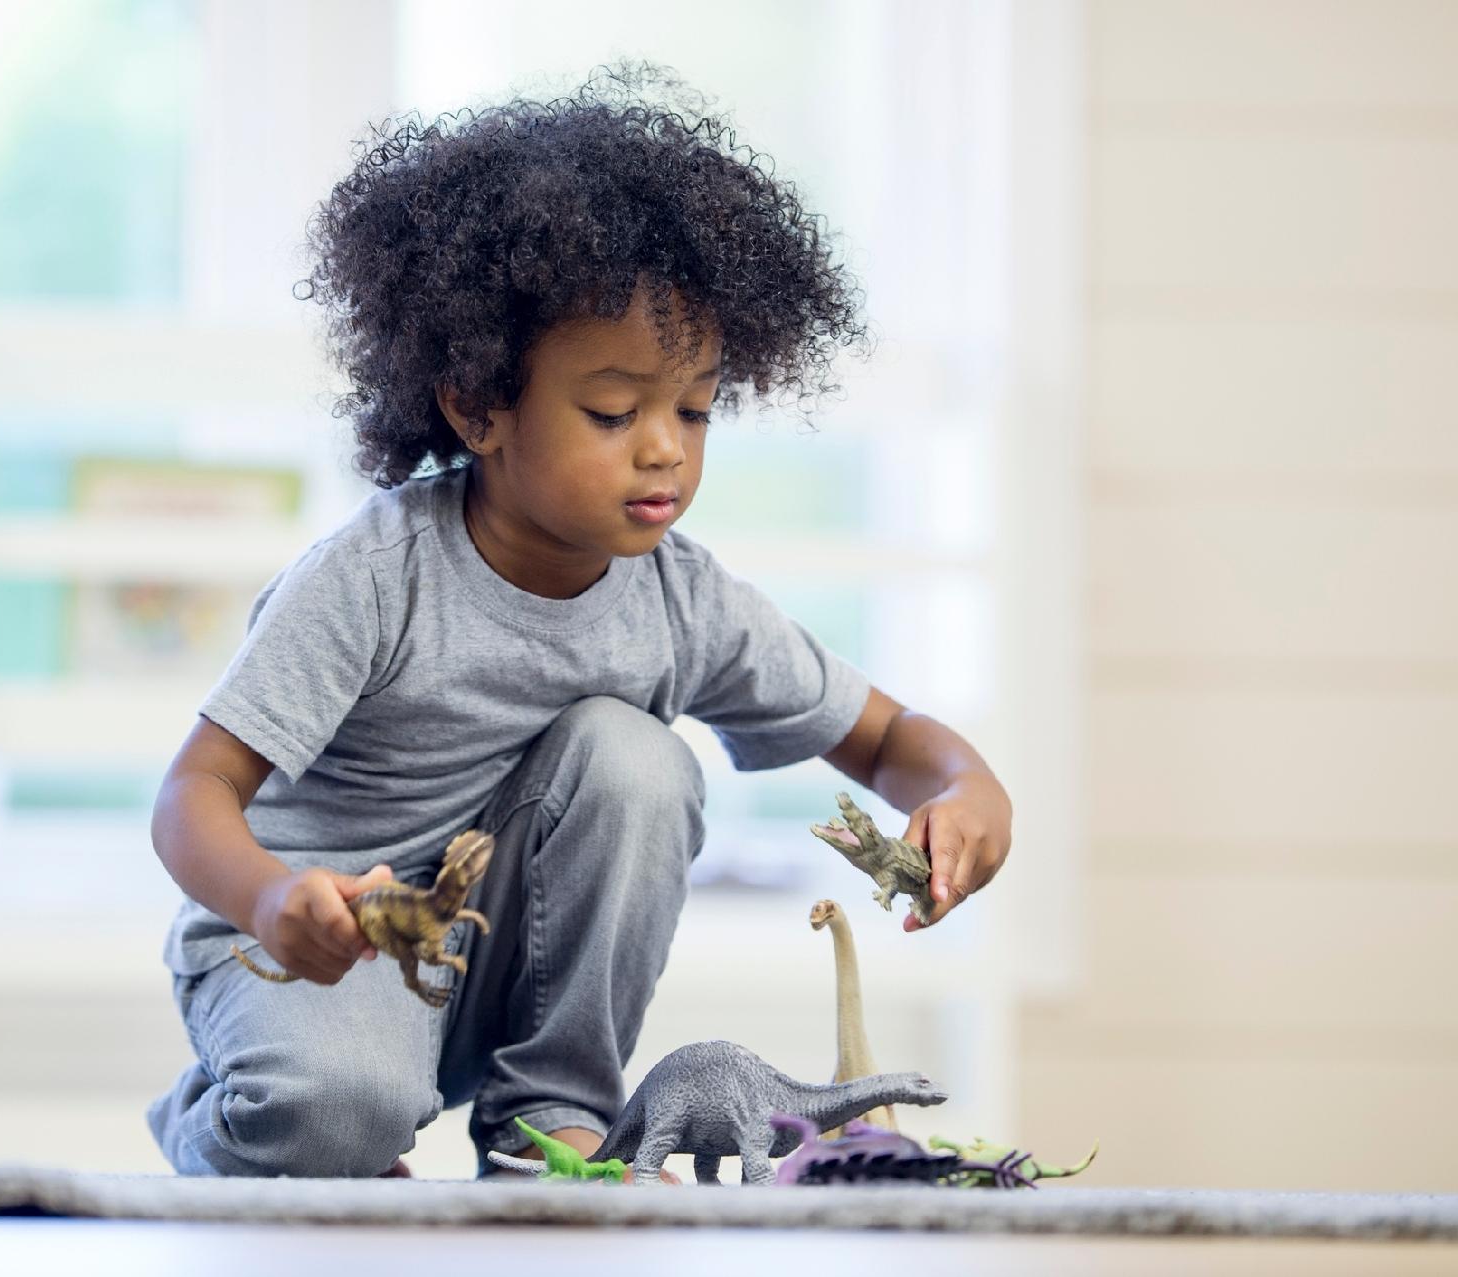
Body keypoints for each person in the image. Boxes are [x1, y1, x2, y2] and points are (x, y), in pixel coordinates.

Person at [145, 64, 1012, 1179]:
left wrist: (967, 791)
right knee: (332, 1113)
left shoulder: (680, 601)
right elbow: (190, 794)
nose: (665, 447)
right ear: (478, 402)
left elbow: (892, 739)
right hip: (319, 958)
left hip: (498, 967)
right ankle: (240, 1120)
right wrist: (269, 899)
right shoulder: (374, 578)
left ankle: (546, 1118)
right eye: (614, 411)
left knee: (637, 757)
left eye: (694, 409)